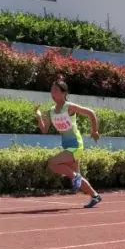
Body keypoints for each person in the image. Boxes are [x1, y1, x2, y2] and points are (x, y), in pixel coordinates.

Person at [34, 79, 102, 208]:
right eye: (51, 90)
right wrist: (38, 117)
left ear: (64, 93)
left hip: (76, 145)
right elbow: (44, 130)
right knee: (78, 178)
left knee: (52, 163)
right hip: (66, 145)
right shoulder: (51, 111)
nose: (52, 93)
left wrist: (95, 131)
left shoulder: (69, 107)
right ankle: (95, 196)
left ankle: (75, 177)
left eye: (55, 90)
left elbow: (91, 113)